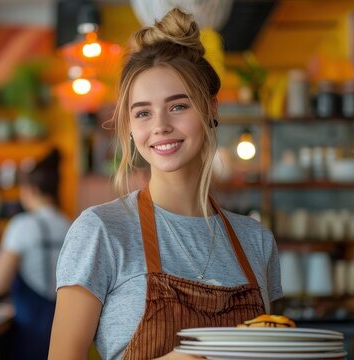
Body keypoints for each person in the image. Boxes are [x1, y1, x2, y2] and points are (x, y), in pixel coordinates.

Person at [49, 8, 282, 360]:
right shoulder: (102, 232)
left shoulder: (257, 242)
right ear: (129, 126)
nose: (160, 126)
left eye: (178, 106)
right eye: (143, 112)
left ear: (211, 109)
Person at [0, 149, 71, 360]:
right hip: (66, 329)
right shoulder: (72, 225)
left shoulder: (23, 225)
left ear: (30, 189)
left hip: (30, 330)